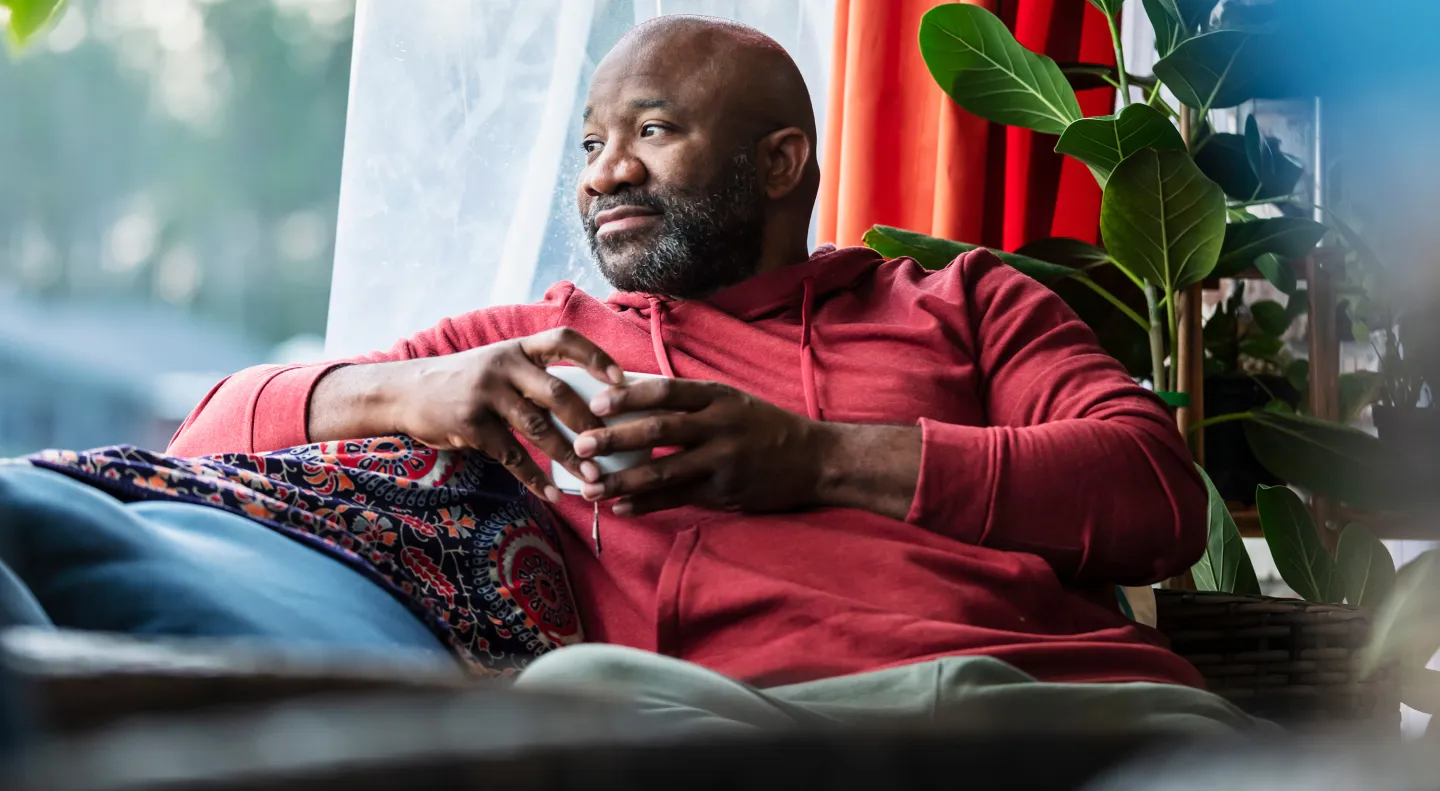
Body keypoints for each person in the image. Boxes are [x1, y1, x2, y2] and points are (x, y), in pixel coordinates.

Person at [26, 16, 1253, 734]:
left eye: (651, 131)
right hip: (752, 728)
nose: (604, 174)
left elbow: (1155, 493)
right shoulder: (539, 343)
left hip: (1067, 701)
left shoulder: (967, 299)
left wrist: (814, 458)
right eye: (590, 144)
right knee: (576, 692)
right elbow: (203, 435)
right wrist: (419, 393)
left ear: (781, 161)